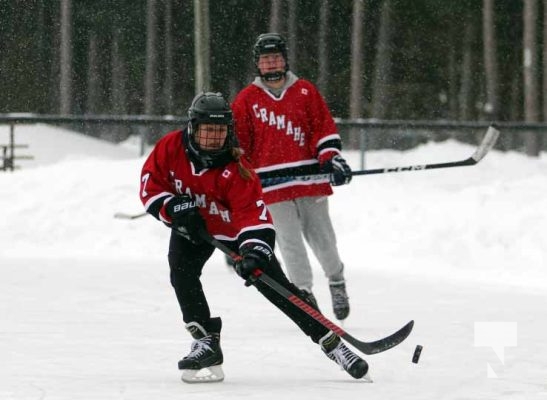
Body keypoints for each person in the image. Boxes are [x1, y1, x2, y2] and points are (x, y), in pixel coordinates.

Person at [139, 92, 370, 383]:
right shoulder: (170, 147)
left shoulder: (239, 169)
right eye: (207, 130)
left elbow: (253, 215)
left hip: (235, 231)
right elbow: (150, 185)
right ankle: (206, 341)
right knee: (181, 272)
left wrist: (253, 252)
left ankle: (332, 344)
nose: (213, 138)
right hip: (193, 227)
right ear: (193, 127)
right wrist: (173, 207)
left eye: (220, 131)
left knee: (278, 289)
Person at [231, 33, 353, 321]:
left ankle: (336, 280)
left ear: (284, 59)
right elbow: (240, 144)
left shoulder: (305, 91)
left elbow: (322, 127)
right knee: (289, 242)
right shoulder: (246, 99)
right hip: (272, 187)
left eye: (275, 57)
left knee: (323, 240)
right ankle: (304, 292)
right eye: (265, 58)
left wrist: (331, 158)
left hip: (309, 180)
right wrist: (240, 177)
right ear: (257, 64)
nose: (271, 62)